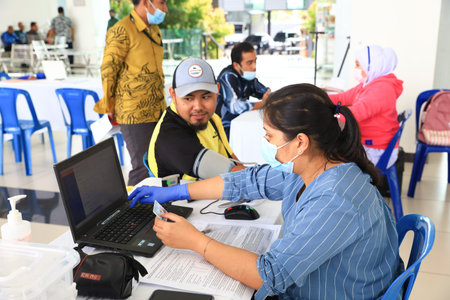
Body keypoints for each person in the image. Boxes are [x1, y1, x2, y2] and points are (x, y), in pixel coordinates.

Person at [129, 83, 402, 299]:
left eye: (269, 136)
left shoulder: (335, 198)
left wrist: (197, 242)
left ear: (300, 143)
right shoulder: (316, 164)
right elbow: (249, 181)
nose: (265, 142)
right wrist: (178, 192)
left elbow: (270, 275)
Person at [94, 0, 168, 186]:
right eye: (162, 3)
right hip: (134, 111)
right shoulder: (122, 30)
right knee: (143, 167)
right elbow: (109, 70)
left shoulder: (153, 29)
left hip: (157, 108)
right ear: (145, 2)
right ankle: (133, 211)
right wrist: (109, 103)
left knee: (158, 163)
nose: (164, 9)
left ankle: (155, 209)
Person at [148, 57, 244, 181]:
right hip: (182, 200)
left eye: (205, 96)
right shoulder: (170, 136)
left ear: (217, 91)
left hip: (213, 194)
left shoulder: (213, 119)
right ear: (173, 95)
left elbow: (232, 160)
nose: (198, 107)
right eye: (188, 98)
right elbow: (235, 176)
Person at [328, 45, 403, 168]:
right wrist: (318, 97)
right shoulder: (370, 83)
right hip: (370, 144)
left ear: (372, 66)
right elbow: (344, 98)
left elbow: (354, 114)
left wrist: (329, 114)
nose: (355, 68)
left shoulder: (382, 89)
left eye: (358, 65)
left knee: (327, 155)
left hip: (376, 151)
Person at [216, 42, 271, 138]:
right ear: (236, 65)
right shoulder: (228, 76)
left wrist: (272, 97)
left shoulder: (247, 77)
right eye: (249, 63)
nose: (254, 67)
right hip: (223, 129)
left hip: (239, 124)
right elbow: (235, 106)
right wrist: (262, 103)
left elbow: (265, 92)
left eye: (255, 61)